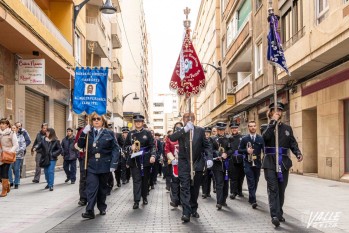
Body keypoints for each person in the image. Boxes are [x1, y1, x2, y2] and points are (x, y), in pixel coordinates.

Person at [262, 102, 303, 227]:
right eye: (274, 110)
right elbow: (265, 138)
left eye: (279, 110)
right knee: (273, 189)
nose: (277, 112)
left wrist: (298, 153)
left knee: (281, 189)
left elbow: (293, 143)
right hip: (269, 162)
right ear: (270, 113)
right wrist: (272, 123)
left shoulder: (287, 128)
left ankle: (279, 212)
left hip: (283, 163)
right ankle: (274, 215)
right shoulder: (266, 127)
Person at [169, 113, 213, 223]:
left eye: (191, 119)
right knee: (185, 188)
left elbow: (206, 146)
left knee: (195, 188)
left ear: (194, 119)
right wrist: (184, 129)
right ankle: (186, 213)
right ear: (183, 120)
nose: (189, 120)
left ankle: (194, 209)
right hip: (184, 164)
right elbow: (172, 138)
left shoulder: (200, 130)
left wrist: (209, 158)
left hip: (197, 163)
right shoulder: (181, 130)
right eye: (186, 119)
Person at [78, 113, 120, 219]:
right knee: (91, 188)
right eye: (94, 119)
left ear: (103, 121)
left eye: (98, 119)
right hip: (91, 165)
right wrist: (83, 133)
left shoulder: (109, 133)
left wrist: (113, 164)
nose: (96, 120)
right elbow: (79, 145)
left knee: (102, 188)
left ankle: (102, 207)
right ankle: (90, 210)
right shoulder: (88, 133)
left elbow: (116, 149)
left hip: (104, 164)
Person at [124, 115, 156, 209]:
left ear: (142, 122)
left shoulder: (148, 133)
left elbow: (152, 146)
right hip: (135, 160)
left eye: (140, 121)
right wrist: (131, 148)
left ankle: (145, 196)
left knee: (145, 180)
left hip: (145, 159)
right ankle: (136, 201)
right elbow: (125, 147)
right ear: (134, 122)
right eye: (136, 121)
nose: (138, 123)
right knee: (136, 180)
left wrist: (153, 155)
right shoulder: (130, 134)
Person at [238, 120, 264, 209]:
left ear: (256, 127)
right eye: (251, 126)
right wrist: (246, 151)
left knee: (256, 181)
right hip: (247, 162)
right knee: (251, 181)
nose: (253, 127)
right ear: (248, 128)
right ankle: (253, 200)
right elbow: (239, 150)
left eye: (254, 126)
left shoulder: (260, 138)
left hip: (257, 163)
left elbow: (264, 150)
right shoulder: (245, 139)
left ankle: (251, 197)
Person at [211, 122, 232, 210]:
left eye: (222, 130)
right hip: (217, 164)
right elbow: (210, 150)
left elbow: (232, 149)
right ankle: (219, 202)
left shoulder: (229, 138)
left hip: (227, 164)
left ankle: (224, 200)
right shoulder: (213, 139)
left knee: (226, 184)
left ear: (224, 130)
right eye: (219, 130)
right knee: (219, 183)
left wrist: (226, 154)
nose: (221, 132)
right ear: (217, 130)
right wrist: (218, 154)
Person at [165, 122, 183, 207]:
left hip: (185, 163)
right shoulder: (170, 138)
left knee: (184, 182)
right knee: (175, 182)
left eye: (180, 127)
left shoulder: (187, 137)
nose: (178, 129)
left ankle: (183, 200)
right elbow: (167, 150)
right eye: (177, 128)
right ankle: (175, 200)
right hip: (174, 163)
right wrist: (172, 159)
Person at [0, 118, 19, 197]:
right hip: (0, 155)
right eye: (1, 123)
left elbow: (16, 145)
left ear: (7, 125)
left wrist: (10, 152)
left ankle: (4, 190)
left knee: (4, 172)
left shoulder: (11, 133)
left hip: (7, 156)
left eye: (3, 124)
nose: (1, 125)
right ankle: (7, 184)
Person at [228, 122, 245, 199]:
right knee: (233, 177)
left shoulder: (242, 137)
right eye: (232, 128)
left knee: (241, 176)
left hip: (241, 159)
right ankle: (233, 192)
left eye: (235, 128)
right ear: (230, 129)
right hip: (232, 160)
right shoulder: (228, 138)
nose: (234, 129)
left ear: (238, 128)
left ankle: (239, 191)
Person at [8, 125, 26, 189]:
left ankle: (16, 183)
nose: (13, 129)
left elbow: (23, 146)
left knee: (16, 169)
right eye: (12, 128)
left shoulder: (21, 136)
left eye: (14, 128)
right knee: (9, 169)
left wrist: (16, 151)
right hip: (9, 155)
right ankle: (10, 181)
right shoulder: (8, 136)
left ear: (17, 129)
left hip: (18, 156)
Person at [202, 127, 215, 199]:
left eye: (208, 132)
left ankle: (208, 192)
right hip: (203, 161)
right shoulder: (201, 140)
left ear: (210, 134)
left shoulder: (212, 140)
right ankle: (204, 192)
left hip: (211, 160)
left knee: (210, 176)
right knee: (204, 177)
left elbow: (215, 149)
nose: (206, 134)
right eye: (205, 132)